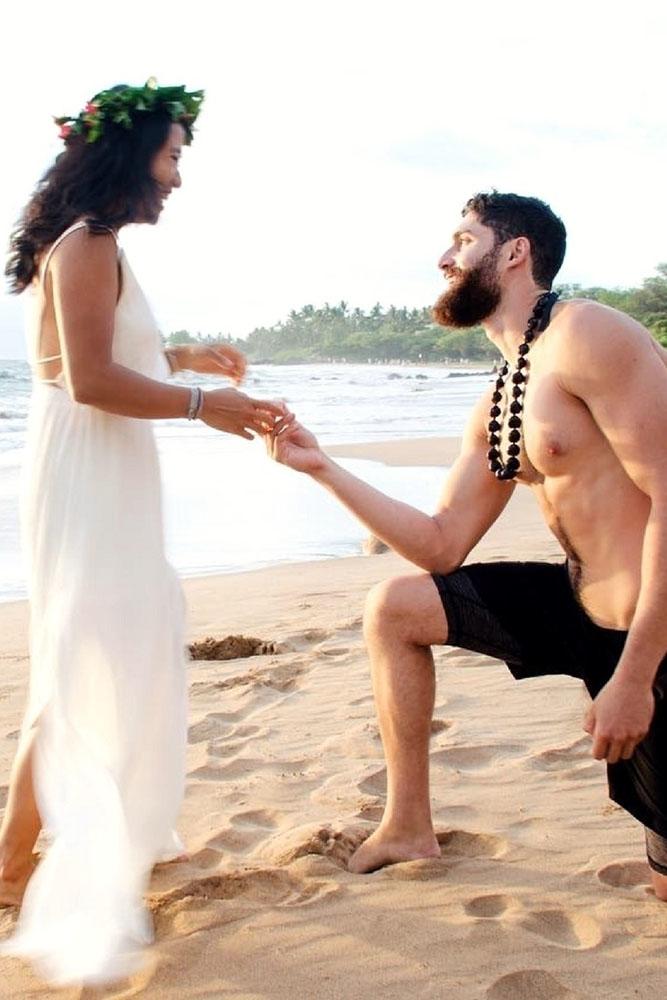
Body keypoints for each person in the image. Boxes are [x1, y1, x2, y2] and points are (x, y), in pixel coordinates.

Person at [267, 191, 667, 901]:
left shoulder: (587, 335)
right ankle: (406, 824)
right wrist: (322, 467)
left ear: (513, 253)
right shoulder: (501, 395)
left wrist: (632, 679)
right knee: (396, 606)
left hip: (652, 634)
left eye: (463, 239)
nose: (444, 257)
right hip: (577, 606)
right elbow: (441, 545)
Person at [0, 80, 284, 985]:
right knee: (86, 650)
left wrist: (186, 359)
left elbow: (93, 356)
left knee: (106, 643)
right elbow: (85, 379)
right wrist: (207, 403)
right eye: (171, 157)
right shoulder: (87, 245)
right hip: (91, 464)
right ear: (129, 159)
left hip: (97, 466)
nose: (177, 178)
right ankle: (10, 866)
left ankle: (29, 851)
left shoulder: (93, 244)